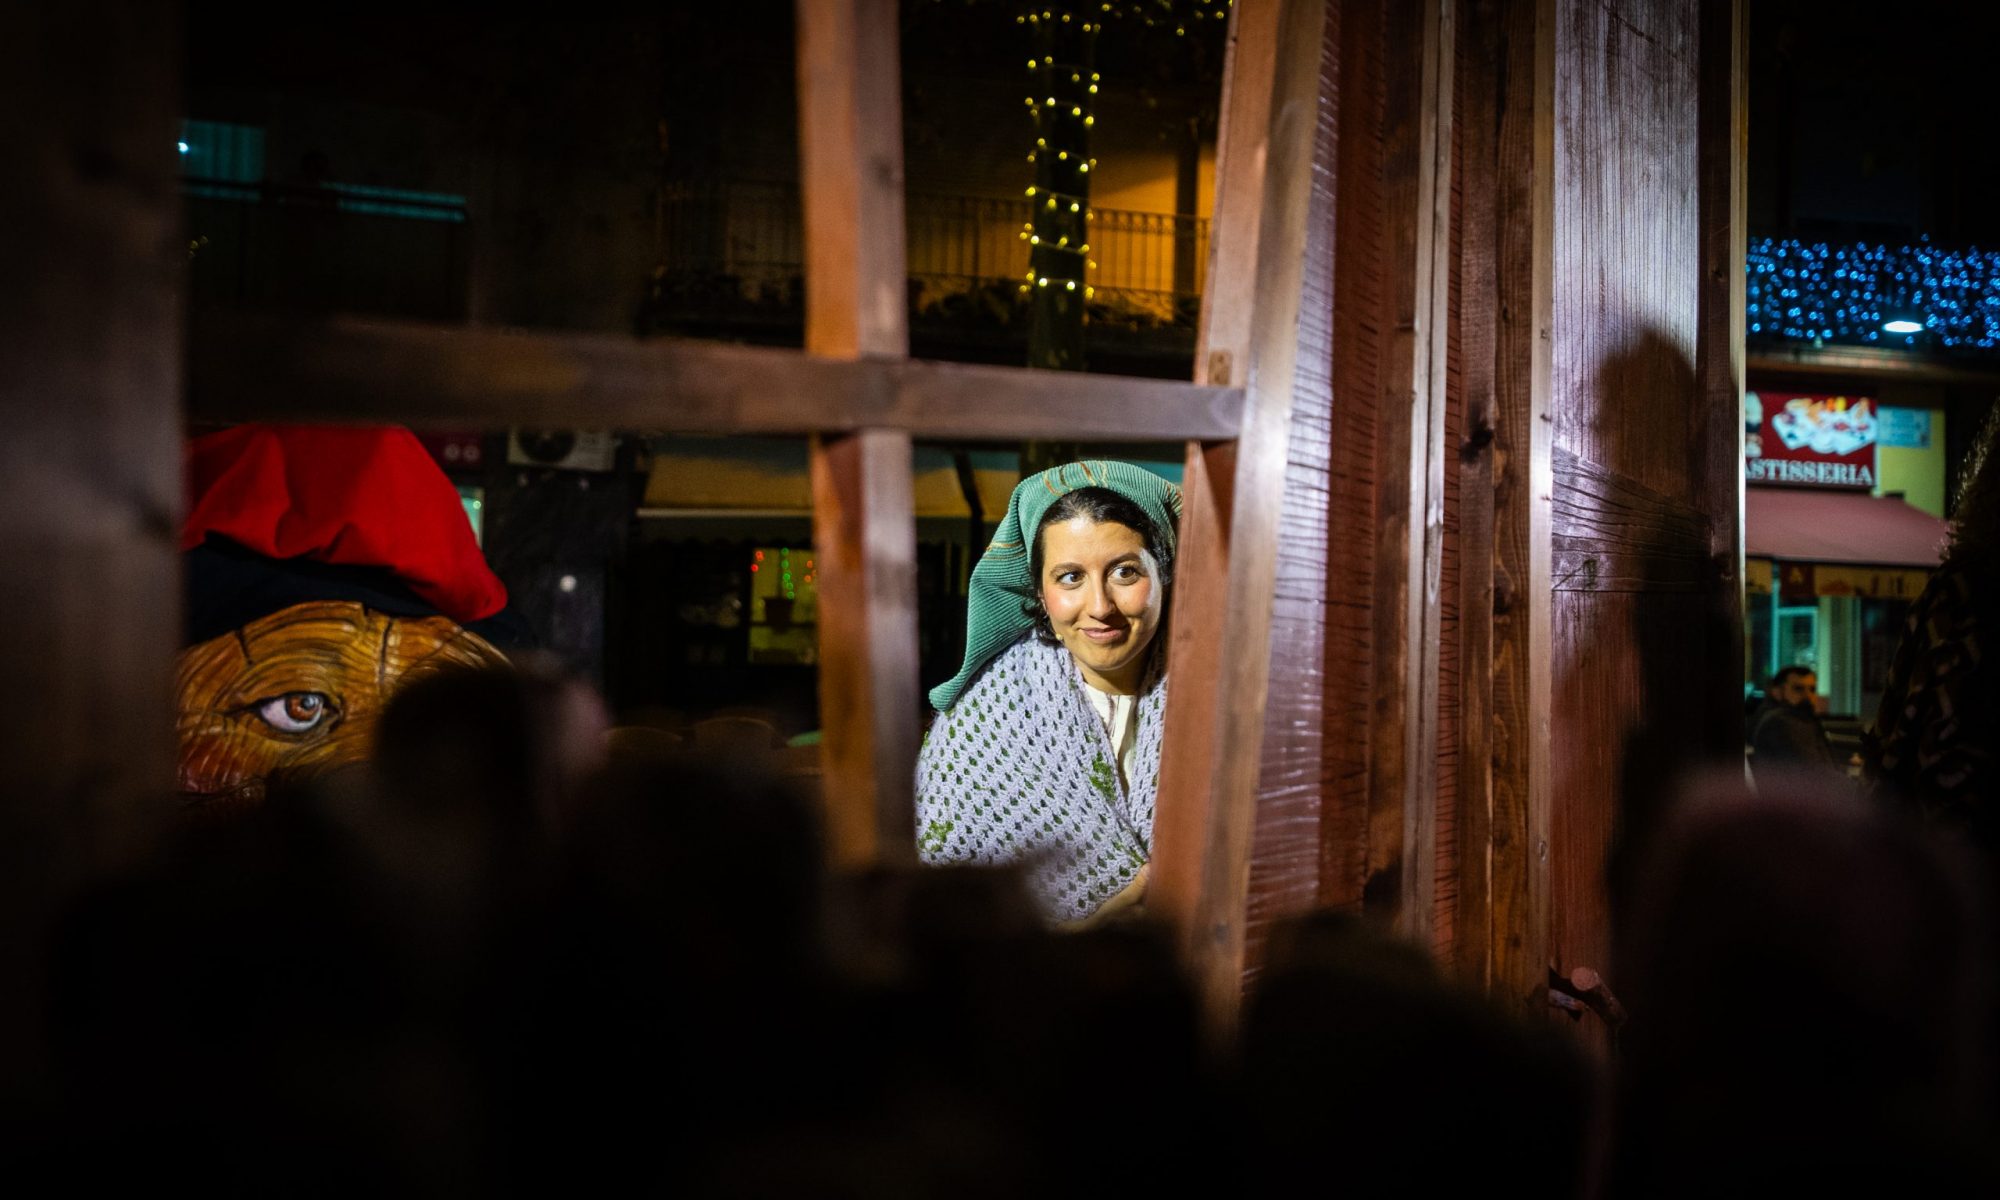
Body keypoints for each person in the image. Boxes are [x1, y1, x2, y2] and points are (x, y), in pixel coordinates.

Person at [915, 460, 1181, 927]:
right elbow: (939, 924)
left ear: (1166, 574)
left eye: (1124, 572)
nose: (1100, 607)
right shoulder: (978, 729)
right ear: (1039, 591)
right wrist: (1073, 940)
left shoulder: (1223, 702)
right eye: (1070, 578)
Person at [1747, 665, 1841, 780]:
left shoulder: (1802, 719)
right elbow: (1813, 771)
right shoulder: (1780, 722)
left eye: (1812, 689)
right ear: (1778, 692)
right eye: (1798, 689)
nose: (1808, 696)